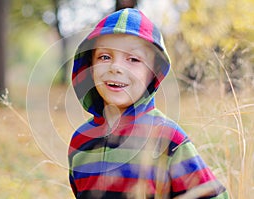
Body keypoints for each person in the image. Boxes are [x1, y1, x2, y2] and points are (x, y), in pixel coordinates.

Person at [68, 8, 228, 199]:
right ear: (90, 67)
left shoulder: (168, 139)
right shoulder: (80, 142)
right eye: (105, 57)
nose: (116, 67)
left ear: (153, 73)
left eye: (133, 59)